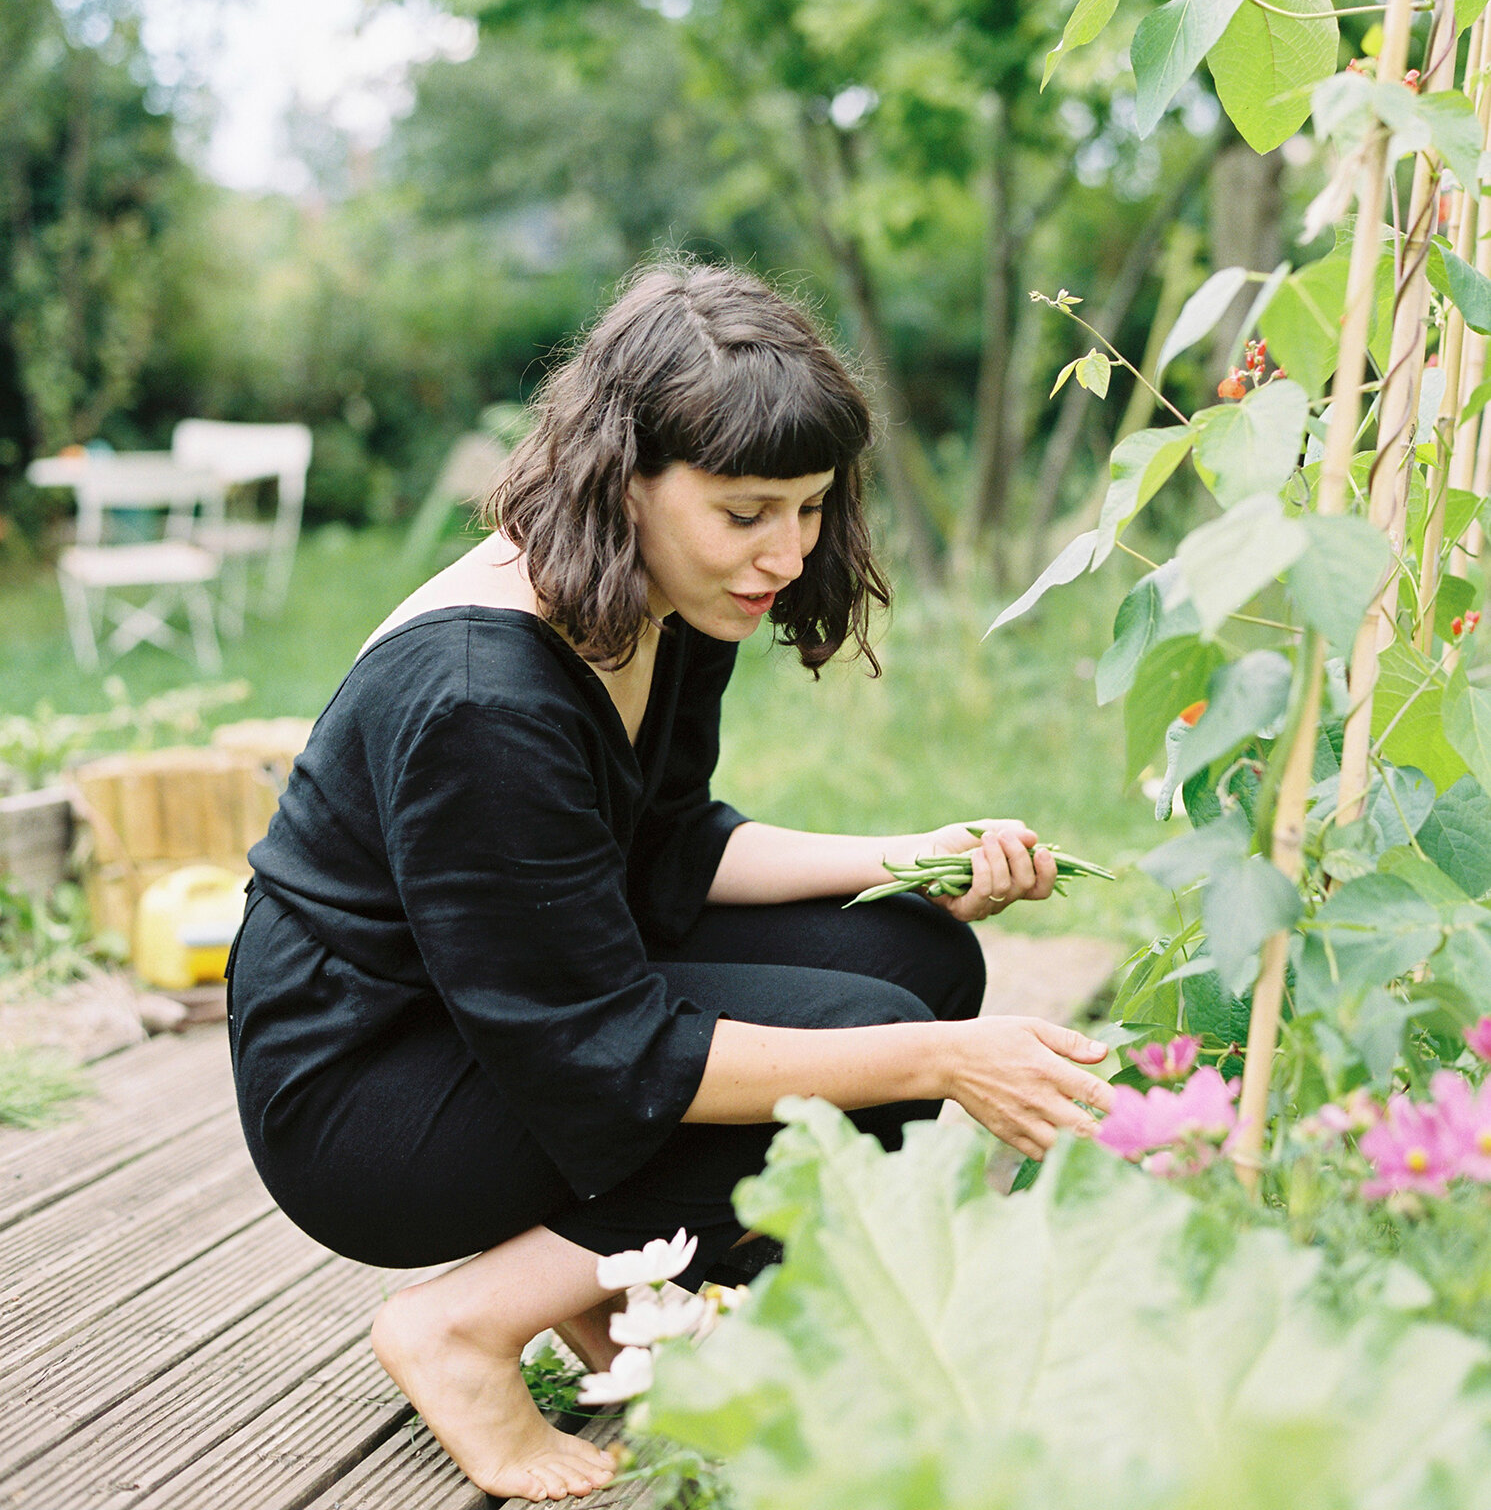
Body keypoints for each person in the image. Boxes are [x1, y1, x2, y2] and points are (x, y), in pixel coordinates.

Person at [227, 262, 1114, 1504]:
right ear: (623, 479)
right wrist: (944, 1062)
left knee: (916, 953)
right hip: (370, 1089)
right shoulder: (486, 691)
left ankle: (619, 1294)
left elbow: (672, 847)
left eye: (807, 507)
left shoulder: (665, 593)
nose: (789, 551)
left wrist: (916, 856)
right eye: (748, 510)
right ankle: (465, 1326)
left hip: (508, 1009)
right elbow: (609, 1046)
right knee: (882, 1036)